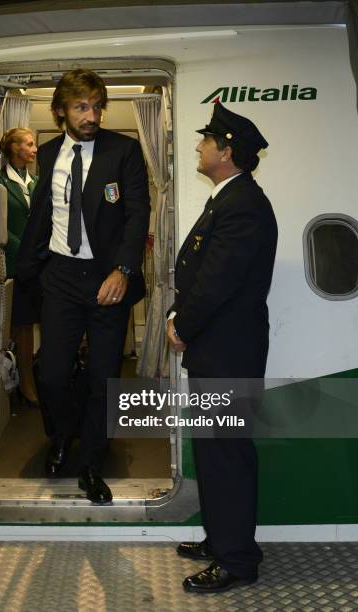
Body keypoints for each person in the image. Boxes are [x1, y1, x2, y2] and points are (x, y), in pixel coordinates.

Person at [16, 69, 150, 503]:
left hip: (107, 278)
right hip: (60, 276)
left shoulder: (124, 152)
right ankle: (60, 437)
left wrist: (123, 271)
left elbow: (137, 215)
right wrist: (27, 269)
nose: (91, 115)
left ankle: (92, 461)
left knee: (103, 377)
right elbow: (43, 214)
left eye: (96, 106)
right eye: (81, 107)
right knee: (52, 373)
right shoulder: (50, 152)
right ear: (60, 111)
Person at [166, 102, 277, 593]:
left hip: (227, 349)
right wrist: (177, 313)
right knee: (213, 451)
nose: (198, 145)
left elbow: (215, 283)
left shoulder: (243, 205)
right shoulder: (227, 198)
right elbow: (196, 273)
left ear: (226, 151)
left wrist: (181, 325)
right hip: (218, 347)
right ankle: (221, 539)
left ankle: (237, 561)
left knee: (226, 453)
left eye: (205, 140)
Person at [0, 128, 39, 406]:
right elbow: (1, 225)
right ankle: (25, 382)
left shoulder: (36, 182)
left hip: (42, 263)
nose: (35, 149)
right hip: (17, 264)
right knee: (22, 326)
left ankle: (44, 376)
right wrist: (25, 249)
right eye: (30, 144)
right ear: (14, 148)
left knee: (49, 321)